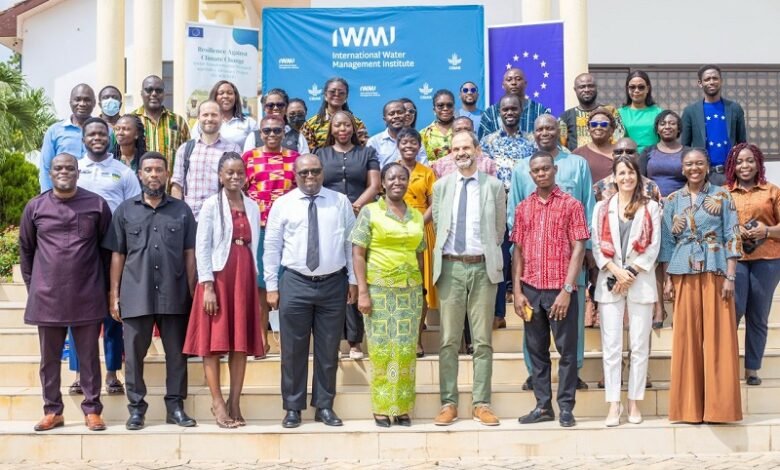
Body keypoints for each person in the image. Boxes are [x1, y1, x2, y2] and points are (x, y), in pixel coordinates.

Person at [103, 151, 198, 431]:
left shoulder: (182, 210)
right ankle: (136, 409)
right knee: (133, 356)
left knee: (176, 356)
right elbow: (117, 255)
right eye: (148, 170)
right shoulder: (125, 211)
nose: (154, 174)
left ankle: (176, 407)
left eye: (159, 170)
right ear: (140, 174)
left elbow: (189, 254)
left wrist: (193, 292)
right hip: (136, 294)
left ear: (167, 175)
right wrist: (114, 295)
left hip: (175, 294)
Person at [19, 153, 112, 432]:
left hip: (87, 293)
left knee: (89, 357)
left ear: (78, 172)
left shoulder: (96, 204)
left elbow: (107, 251)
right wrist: (33, 286)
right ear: (50, 172)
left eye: (69, 168)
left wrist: (106, 289)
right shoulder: (35, 207)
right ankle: (52, 410)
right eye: (58, 168)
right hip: (47, 296)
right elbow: (26, 250)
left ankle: (92, 409)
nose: (64, 172)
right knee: (49, 359)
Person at [263, 154, 358, 429]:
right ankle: (293, 407)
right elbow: (272, 247)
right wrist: (271, 286)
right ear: (295, 174)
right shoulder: (283, 204)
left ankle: (324, 406)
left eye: (315, 172)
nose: (310, 177)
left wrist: (352, 280)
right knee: (293, 350)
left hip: (333, 283)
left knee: (328, 349)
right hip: (295, 282)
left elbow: (350, 245)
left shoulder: (339, 203)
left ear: (322, 173)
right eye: (304, 172)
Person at [508, 114, 594, 391]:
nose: (545, 132)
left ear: (560, 130)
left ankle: (574, 371)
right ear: (532, 133)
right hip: (533, 263)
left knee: (571, 321)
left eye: (550, 127)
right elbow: (514, 214)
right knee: (533, 324)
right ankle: (535, 373)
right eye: (539, 128)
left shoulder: (577, 164)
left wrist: (588, 251)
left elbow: (587, 206)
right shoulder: (522, 168)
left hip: (569, 262)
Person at [659, 147, 742, 424]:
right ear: (682, 169)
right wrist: (667, 280)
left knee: (719, 339)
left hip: (716, 269)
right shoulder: (672, 200)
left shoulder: (722, 195)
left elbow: (732, 233)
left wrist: (731, 275)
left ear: (707, 166)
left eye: (699, 163)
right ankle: (688, 409)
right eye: (689, 164)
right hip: (683, 270)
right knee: (687, 339)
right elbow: (667, 244)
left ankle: (720, 409)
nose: (694, 168)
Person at [183, 152, 265, 428]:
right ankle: (217, 402)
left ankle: (235, 401)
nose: (235, 177)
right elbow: (202, 245)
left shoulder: (252, 205)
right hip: (218, 276)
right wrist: (207, 286)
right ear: (220, 176)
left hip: (243, 273)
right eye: (229, 172)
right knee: (213, 342)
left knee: (239, 342)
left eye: (239, 172)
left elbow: (255, 243)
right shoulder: (210, 205)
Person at [431, 131, 506, 427]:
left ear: (476, 150)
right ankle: (448, 403)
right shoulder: (441, 187)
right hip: (450, 268)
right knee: (449, 339)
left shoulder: (495, 186)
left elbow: (499, 231)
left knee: (482, 340)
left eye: (466, 147)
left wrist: (480, 252)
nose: (461, 152)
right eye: (456, 148)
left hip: (482, 268)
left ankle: (481, 403)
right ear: (450, 153)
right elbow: (438, 224)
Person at [512, 151, 589, 428]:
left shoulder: (572, 205)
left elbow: (579, 247)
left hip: (561, 291)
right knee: (537, 351)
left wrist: (568, 290)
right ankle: (543, 406)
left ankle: (566, 407)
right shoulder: (523, 208)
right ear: (530, 174)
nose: (541, 173)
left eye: (546, 169)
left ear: (554, 169)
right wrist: (518, 291)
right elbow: (517, 250)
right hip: (532, 290)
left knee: (567, 352)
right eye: (536, 171)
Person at [71, 117, 141, 396]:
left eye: (102, 133)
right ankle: (78, 373)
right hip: (79, 250)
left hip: (113, 250)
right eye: (92, 134)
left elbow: (134, 211)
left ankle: (112, 373)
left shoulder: (122, 172)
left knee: (114, 311)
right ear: (84, 139)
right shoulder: (75, 169)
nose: (97, 138)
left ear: (109, 138)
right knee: (76, 313)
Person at [352, 162, 425, 427]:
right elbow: (358, 253)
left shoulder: (417, 215)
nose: (397, 182)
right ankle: (382, 407)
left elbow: (419, 254)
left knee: (405, 351)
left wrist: (420, 289)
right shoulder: (370, 212)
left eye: (402, 178)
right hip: (379, 290)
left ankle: (401, 407)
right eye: (391, 178)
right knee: (383, 350)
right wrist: (362, 292)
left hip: (410, 292)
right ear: (382, 183)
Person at [591, 156, 661, 426]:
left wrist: (630, 272)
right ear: (614, 177)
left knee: (639, 346)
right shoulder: (601, 207)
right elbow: (596, 245)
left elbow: (653, 245)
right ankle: (614, 403)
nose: (626, 178)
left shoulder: (651, 207)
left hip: (639, 281)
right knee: (611, 346)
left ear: (638, 176)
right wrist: (616, 271)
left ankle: (633, 401)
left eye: (631, 173)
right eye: (621, 173)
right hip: (610, 281)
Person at [316, 110, 380, 359]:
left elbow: (374, 185)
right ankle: (333, 339)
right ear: (331, 129)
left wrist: (353, 207)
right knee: (333, 274)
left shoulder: (367, 153)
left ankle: (355, 341)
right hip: (328, 219)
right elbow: (316, 184)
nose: (342, 129)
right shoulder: (320, 154)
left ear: (353, 128)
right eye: (337, 125)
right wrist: (338, 210)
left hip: (359, 219)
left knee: (357, 274)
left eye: (347, 125)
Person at [242, 114, 301, 359]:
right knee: (260, 289)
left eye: (277, 131)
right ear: (260, 133)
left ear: (284, 132)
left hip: (289, 232)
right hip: (259, 230)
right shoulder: (249, 158)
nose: (272, 135)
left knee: (286, 286)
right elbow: (241, 191)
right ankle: (260, 341)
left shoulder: (296, 159)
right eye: (267, 131)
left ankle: (287, 342)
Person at [726, 143, 780, 386]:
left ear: (758, 163)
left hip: (767, 260)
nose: (744, 166)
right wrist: (732, 229)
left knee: (758, 316)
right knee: (732, 313)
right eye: (739, 161)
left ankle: (752, 368)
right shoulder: (723, 192)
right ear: (732, 166)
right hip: (734, 261)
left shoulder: (772, 191)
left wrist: (766, 230)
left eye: (749, 161)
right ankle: (726, 365)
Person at [480, 94, 535, 329]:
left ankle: (531, 307)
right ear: (499, 112)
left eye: (514, 108)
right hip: (498, 205)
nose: (510, 112)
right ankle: (499, 312)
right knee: (500, 259)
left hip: (526, 205)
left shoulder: (533, 142)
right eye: (505, 109)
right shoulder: (488, 142)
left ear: (521, 110)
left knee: (527, 256)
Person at [396, 128, 437, 358]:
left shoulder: (427, 172)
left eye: (413, 143)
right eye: (404, 142)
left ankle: (417, 340)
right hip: (395, 230)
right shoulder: (392, 170)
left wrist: (418, 222)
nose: (409, 146)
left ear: (419, 146)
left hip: (422, 228)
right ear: (398, 146)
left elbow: (434, 202)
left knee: (419, 287)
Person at [170, 100, 241, 220]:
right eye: (205, 115)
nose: (209, 118)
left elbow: (237, 185)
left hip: (220, 218)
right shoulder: (185, 149)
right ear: (199, 117)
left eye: (214, 115)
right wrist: (177, 215)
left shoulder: (233, 149)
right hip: (190, 218)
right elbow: (177, 184)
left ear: (222, 117)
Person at [681, 65, 748, 186]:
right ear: (700, 83)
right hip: (703, 175)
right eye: (707, 79)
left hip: (730, 174)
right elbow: (685, 146)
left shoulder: (734, 108)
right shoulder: (690, 111)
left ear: (721, 81)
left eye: (715, 78)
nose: (711, 82)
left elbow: (742, 143)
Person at [39, 83, 95, 192]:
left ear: (94, 103)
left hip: (95, 194)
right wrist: (47, 198)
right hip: (62, 194)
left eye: (87, 100)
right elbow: (46, 168)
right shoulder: (54, 131)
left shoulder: (104, 131)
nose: (82, 104)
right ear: (70, 102)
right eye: (77, 99)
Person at [132, 75, 190, 175]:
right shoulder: (131, 120)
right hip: (138, 187)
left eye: (158, 90)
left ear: (164, 94)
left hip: (171, 187)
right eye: (149, 90)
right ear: (141, 93)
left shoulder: (178, 121)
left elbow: (188, 155)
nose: (154, 94)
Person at [479, 67, 551, 139]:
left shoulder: (539, 111)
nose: (514, 83)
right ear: (503, 85)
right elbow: (482, 143)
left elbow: (550, 140)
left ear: (525, 83)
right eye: (509, 80)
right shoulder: (490, 113)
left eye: (518, 79)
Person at [559, 73, 624, 151]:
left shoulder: (611, 111)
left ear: (596, 88)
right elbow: (560, 145)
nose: (586, 90)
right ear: (575, 89)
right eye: (582, 87)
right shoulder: (565, 117)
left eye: (590, 86)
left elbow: (619, 137)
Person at [301, 77, 366, 152]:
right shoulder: (311, 124)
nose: (337, 94)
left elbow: (362, 151)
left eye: (341, 93)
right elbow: (307, 154)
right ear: (325, 95)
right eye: (332, 91)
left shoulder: (357, 123)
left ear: (346, 97)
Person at [191, 80, 257, 149]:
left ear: (236, 97)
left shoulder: (249, 123)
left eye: (230, 93)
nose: (225, 96)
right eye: (221, 93)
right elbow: (194, 147)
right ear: (214, 97)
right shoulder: (204, 122)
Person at [243, 89, 309, 154]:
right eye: (270, 105)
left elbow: (305, 163)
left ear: (286, 108)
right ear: (264, 108)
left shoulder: (298, 137)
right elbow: (247, 161)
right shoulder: (253, 137)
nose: (275, 108)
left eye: (280, 105)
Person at [639, 110, 688, 197]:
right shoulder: (648, 151)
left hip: (682, 201)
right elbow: (640, 179)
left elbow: (694, 180)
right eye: (662, 124)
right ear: (657, 129)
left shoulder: (688, 153)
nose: (667, 127)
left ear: (679, 129)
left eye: (672, 123)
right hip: (652, 202)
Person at [367, 99, 427, 168]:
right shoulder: (374, 142)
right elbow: (371, 170)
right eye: (391, 114)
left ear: (405, 115)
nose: (396, 116)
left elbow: (424, 166)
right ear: (385, 119)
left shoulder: (415, 140)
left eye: (400, 112)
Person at [432, 117, 497, 178]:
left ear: (474, 134)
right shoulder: (440, 165)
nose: (462, 133)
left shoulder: (488, 163)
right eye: (458, 130)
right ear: (452, 135)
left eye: (467, 130)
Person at [618, 71, 662, 154]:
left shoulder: (658, 112)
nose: (636, 90)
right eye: (632, 87)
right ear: (627, 89)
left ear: (647, 89)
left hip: (653, 159)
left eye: (641, 87)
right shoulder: (619, 114)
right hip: (628, 160)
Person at [573, 107, 618, 183]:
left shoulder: (621, 152)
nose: (598, 127)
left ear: (612, 130)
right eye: (594, 124)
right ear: (589, 129)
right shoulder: (577, 155)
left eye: (604, 124)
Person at [421, 89, 456, 162]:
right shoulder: (424, 134)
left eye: (449, 105)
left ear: (454, 108)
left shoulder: (464, 130)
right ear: (434, 110)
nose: (445, 108)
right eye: (440, 105)